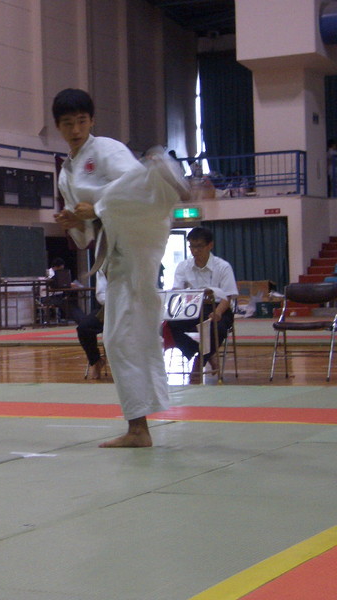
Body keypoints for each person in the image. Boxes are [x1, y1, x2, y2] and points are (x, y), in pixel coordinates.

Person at [52, 88, 187, 448]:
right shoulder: (66, 174)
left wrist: (96, 207)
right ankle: (139, 427)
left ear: (92, 121)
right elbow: (85, 236)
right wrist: (74, 221)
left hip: (138, 232)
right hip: (118, 252)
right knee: (124, 337)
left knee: (122, 337)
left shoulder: (106, 149)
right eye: (68, 123)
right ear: (58, 127)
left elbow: (130, 190)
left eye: (82, 121)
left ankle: (160, 180)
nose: (76, 129)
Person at [168, 226, 238, 381]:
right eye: (192, 246)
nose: (195, 251)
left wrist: (218, 312)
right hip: (192, 308)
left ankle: (200, 361)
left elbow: (228, 296)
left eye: (199, 246)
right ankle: (207, 354)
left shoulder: (223, 266)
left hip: (218, 308)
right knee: (171, 324)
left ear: (210, 245)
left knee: (217, 327)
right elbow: (177, 292)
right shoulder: (183, 266)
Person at [77, 273, 106, 379]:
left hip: (132, 309)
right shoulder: (103, 268)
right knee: (84, 328)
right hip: (107, 307)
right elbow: (101, 295)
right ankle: (95, 361)